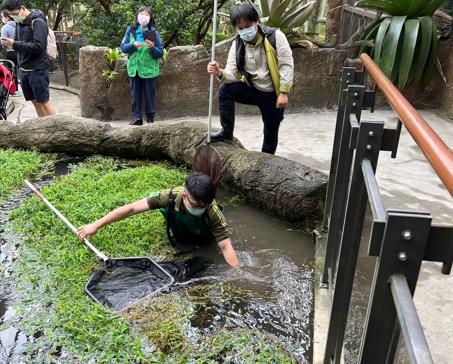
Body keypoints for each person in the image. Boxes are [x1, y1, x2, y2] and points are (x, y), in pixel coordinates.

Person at [77, 173, 240, 268]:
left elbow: (225, 246)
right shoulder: (168, 196)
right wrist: (96, 225)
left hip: (204, 235)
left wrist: (237, 272)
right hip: (179, 229)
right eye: (197, 205)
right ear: (184, 196)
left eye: (204, 205)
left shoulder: (213, 213)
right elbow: (132, 208)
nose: (200, 208)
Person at [207, 2, 294, 155]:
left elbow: (286, 65)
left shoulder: (275, 37)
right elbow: (232, 73)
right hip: (252, 89)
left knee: (270, 136)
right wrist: (218, 71)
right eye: (240, 28)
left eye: (247, 25)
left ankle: (265, 162)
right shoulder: (238, 43)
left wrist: (283, 92)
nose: (244, 30)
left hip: (272, 95)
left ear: (257, 22)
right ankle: (227, 131)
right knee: (225, 91)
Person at [1, 0, 55, 117]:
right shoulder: (19, 23)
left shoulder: (38, 21)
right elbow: (17, 42)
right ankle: (43, 126)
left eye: (15, 14)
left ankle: (58, 130)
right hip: (24, 69)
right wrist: (10, 43)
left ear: (23, 8)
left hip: (38, 70)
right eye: (11, 15)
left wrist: (14, 44)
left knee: (44, 102)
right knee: (34, 102)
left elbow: (39, 46)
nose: (14, 17)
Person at [120, 6, 163, 126]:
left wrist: (152, 47)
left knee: (150, 95)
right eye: (141, 14)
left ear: (150, 18)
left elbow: (160, 53)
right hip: (134, 69)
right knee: (135, 94)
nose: (143, 17)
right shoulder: (131, 30)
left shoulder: (154, 33)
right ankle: (136, 118)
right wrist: (132, 45)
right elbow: (123, 47)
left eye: (146, 15)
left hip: (149, 70)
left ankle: (150, 119)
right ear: (137, 15)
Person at [1, 9, 20, 95]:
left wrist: (4, 48)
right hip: (21, 50)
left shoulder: (5, 27)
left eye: (2, 17)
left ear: (7, 17)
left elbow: (3, 41)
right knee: (22, 70)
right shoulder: (19, 25)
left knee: (12, 72)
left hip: (10, 52)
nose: (2, 19)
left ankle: (14, 90)